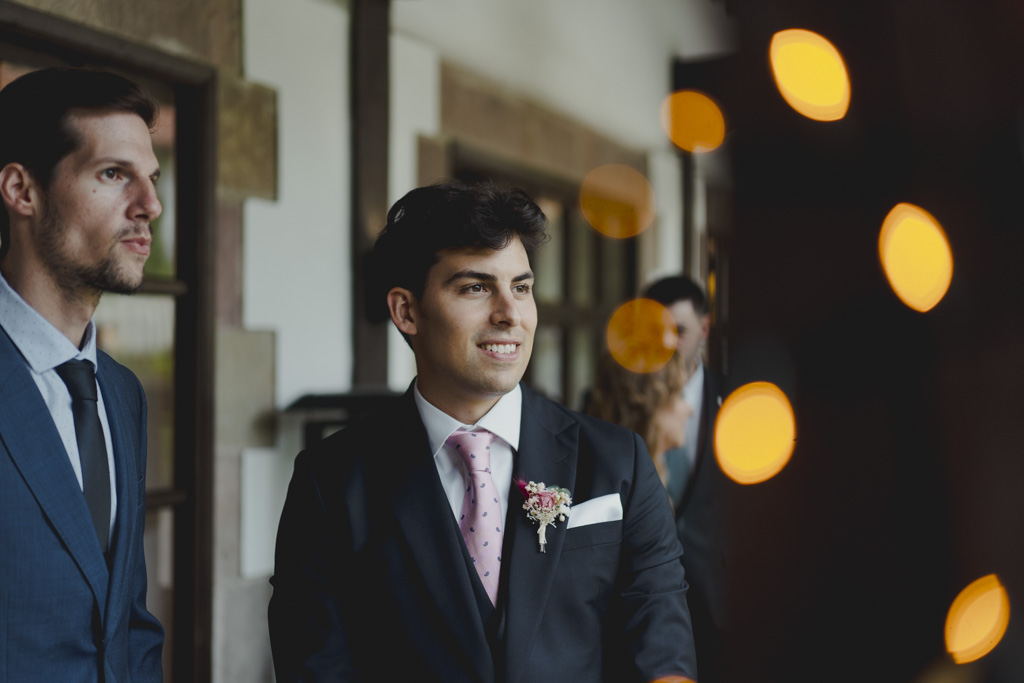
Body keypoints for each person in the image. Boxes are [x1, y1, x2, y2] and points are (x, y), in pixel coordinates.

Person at [269, 180, 697, 682]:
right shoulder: (331, 482)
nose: (510, 314)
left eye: (521, 287)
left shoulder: (617, 460)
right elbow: (317, 667)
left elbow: (661, 649)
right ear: (406, 311)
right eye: (475, 287)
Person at [0, 67, 165, 681]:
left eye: (152, 178)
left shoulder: (122, 393)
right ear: (23, 190)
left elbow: (128, 618)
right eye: (113, 174)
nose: (151, 205)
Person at [643, 274, 728, 683]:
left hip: (720, 611)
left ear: (705, 330)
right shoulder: (609, 408)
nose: (670, 343)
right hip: (639, 616)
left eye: (681, 331)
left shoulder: (740, 402)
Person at [587, 350, 693, 492]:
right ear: (650, 405)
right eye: (679, 395)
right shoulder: (617, 492)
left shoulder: (659, 473)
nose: (690, 410)